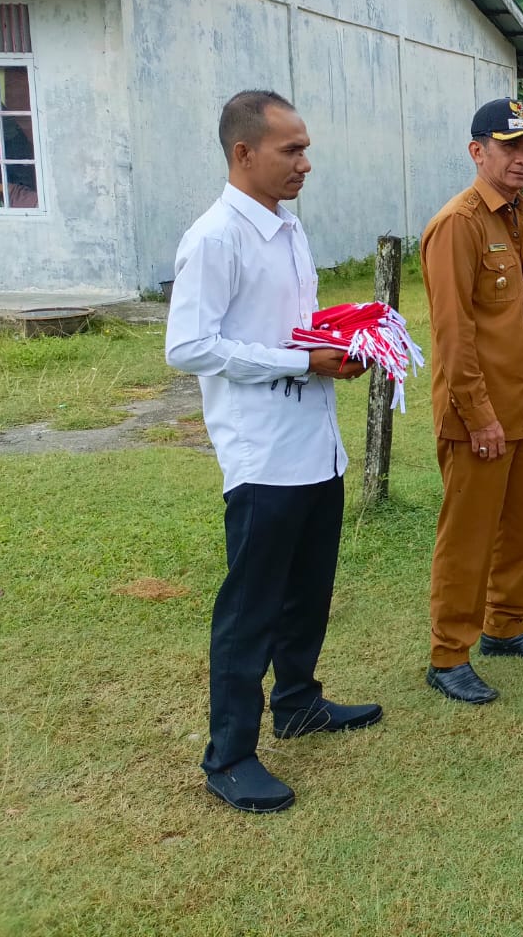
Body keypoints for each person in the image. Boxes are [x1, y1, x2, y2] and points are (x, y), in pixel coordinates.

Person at [166, 89, 379, 814]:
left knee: (309, 591)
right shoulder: (215, 237)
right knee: (250, 608)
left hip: (313, 444)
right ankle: (228, 755)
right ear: (242, 153)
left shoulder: (286, 227)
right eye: (291, 150)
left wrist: (340, 343)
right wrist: (299, 363)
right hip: (261, 454)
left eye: (305, 148)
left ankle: (298, 703)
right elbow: (188, 347)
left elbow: (288, 327)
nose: (305, 163)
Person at [420, 98, 523, 706]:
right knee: (469, 536)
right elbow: (452, 334)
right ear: (476, 150)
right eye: (510, 146)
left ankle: (506, 626)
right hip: (478, 414)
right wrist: (479, 414)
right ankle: (447, 653)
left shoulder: (517, 217)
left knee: (519, 528)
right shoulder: (458, 224)